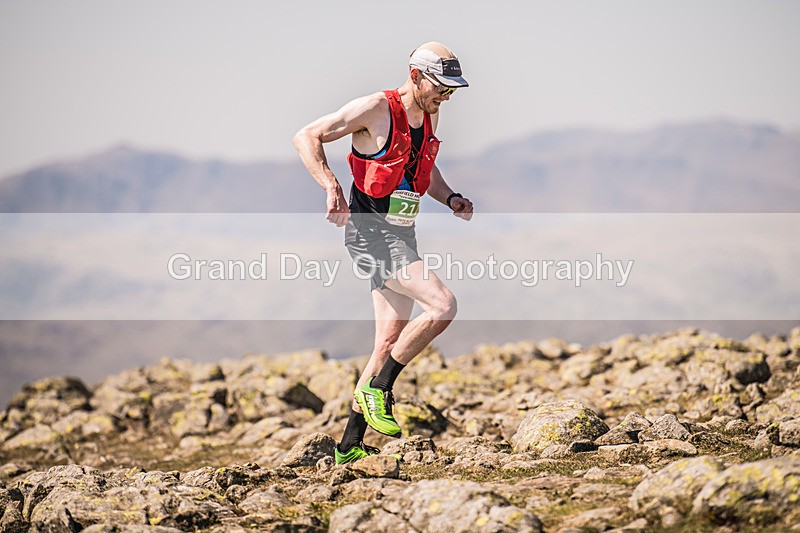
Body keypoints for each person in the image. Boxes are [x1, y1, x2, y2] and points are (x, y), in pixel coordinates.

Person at [293, 41, 474, 464]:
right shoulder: (375, 108)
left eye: (451, 90)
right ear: (415, 76)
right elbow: (307, 136)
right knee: (442, 306)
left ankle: (349, 446)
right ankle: (381, 388)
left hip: (402, 236)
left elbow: (422, 171)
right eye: (441, 88)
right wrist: (332, 187)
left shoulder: (429, 113)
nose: (445, 97)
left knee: (387, 342)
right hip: (371, 235)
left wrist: (451, 199)